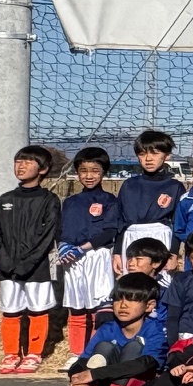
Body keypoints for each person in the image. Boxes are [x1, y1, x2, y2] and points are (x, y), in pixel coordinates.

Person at [0, 144, 63, 375]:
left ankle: (33, 354)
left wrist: (28, 263)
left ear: (43, 169)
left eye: (28, 162)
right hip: (7, 269)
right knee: (10, 311)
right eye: (18, 161)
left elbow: (49, 235)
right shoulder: (5, 199)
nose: (21, 166)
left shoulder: (49, 200)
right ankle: (11, 353)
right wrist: (4, 261)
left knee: (38, 310)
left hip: (36, 268)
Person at [67, 271, 169, 386]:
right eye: (118, 299)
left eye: (132, 299)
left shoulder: (155, 331)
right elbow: (82, 361)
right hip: (106, 382)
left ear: (149, 306)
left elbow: (144, 365)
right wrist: (77, 379)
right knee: (104, 347)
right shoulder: (107, 328)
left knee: (134, 347)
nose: (123, 305)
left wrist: (94, 374)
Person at [56, 146, 120, 358]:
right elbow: (62, 230)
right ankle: (76, 353)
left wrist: (83, 248)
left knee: (98, 308)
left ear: (104, 172)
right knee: (77, 307)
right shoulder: (70, 202)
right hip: (72, 260)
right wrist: (63, 246)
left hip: (97, 257)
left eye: (95, 171)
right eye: (84, 171)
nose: (89, 176)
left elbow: (110, 231)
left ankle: (94, 353)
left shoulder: (109, 201)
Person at [115, 130, 183, 265]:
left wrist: (174, 253)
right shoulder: (129, 185)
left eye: (155, 153)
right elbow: (120, 222)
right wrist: (116, 252)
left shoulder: (175, 187)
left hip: (161, 241)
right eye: (142, 154)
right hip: (131, 240)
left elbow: (178, 224)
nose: (148, 159)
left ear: (167, 155)